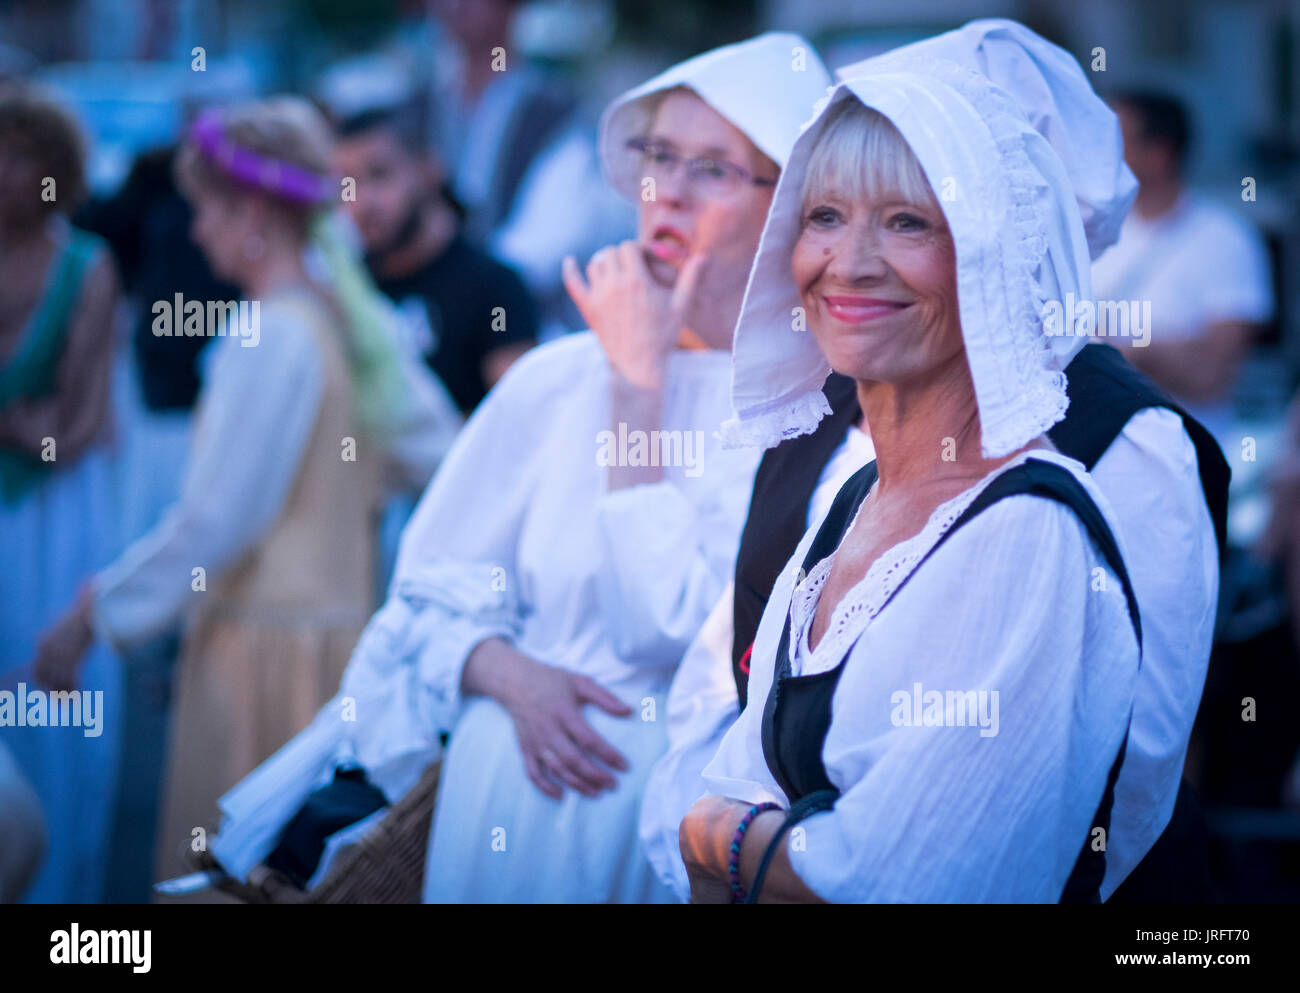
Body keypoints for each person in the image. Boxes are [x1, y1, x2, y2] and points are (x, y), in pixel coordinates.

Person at [208, 32, 832, 904]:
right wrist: (502, 668)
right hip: (488, 826)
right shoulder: (553, 378)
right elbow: (419, 601)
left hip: (655, 849)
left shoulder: (811, 410)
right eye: (660, 157)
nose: (669, 192)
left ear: (790, 202)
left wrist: (639, 390)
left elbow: (660, 627)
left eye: (715, 169)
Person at [644, 19, 1225, 904]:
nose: (852, 260)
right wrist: (715, 831)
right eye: (825, 214)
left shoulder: (1038, 517)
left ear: (998, 247)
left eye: (910, 217)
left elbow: (1119, 779)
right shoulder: (853, 490)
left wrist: (725, 844)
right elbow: (735, 737)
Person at [31, 96, 456, 895]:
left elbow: (215, 522)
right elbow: (436, 451)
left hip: (264, 661)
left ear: (254, 210)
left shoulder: (271, 335)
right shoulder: (345, 323)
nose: (197, 233)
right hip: (331, 650)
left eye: (207, 212)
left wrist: (94, 610)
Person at [0, 83, 123, 903]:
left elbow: (71, 430)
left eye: (15, 157)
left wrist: (24, 425)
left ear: (51, 168)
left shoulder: (87, 265)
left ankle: (57, 892)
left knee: (44, 695)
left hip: (52, 513)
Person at [1091, 89, 1274, 447]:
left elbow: (1210, 376)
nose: (1098, 152)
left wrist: (1118, 348)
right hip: (1095, 452)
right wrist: (1158, 347)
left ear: (1159, 154)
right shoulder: (1090, 231)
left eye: (1114, 140)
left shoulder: (1227, 239)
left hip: (1186, 451)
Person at [334, 103, 536, 415]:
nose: (362, 202)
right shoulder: (346, 288)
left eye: (379, 175)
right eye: (347, 184)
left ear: (429, 169)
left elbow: (521, 418)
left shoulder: (494, 286)